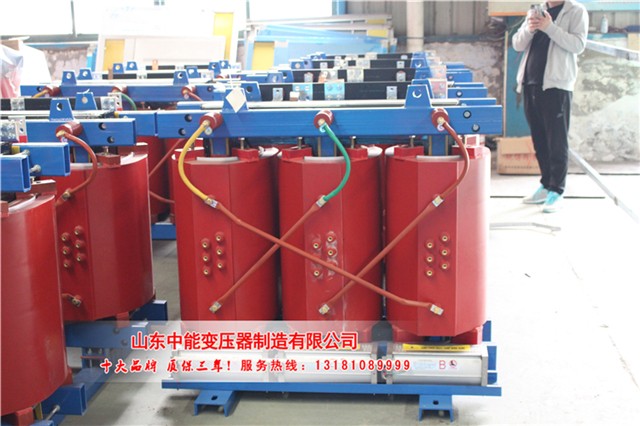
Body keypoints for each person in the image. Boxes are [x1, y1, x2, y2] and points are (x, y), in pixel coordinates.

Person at [512, 1, 589, 212]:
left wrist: (549, 27)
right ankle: (546, 185)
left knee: (557, 140)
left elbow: (578, 45)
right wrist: (530, 28)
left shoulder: (576, 11)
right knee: (539, 139)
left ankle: (557, 189)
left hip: (556, 85)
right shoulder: (536, 9)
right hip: (530, 82)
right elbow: (517, 44)